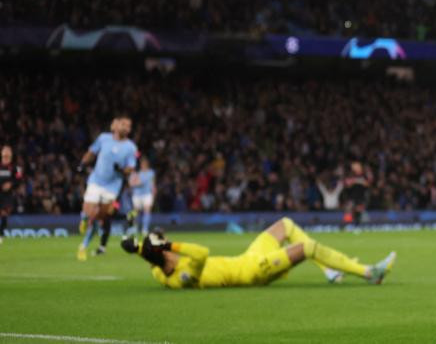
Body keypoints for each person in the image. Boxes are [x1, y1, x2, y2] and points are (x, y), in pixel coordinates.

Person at [121, 217, 395, 289]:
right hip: (254, 271)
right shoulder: (182, 276)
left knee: (285, 225)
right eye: (166, 245)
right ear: (165, 253)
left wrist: (135, 248)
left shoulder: (159, 271)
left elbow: (153, 261)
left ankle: (331, 271)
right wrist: (168, 245)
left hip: (246, 259)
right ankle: (370, 273)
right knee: (308, 248)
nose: (170, 243)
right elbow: (202, 253)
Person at [77, 116, 138, 260]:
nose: (126, 128)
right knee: (89, 209)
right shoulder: (104, 138)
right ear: (116, 126)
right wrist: (82, 163)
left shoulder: (131, 147)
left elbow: (131, 168)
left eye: (129, 126)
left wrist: (122, 170)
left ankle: (85, 244)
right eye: (124, 124)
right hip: (96, 181)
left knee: (102, 217)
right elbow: (92, 152)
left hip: (113, 187)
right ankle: (85, 218)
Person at [129, 156, 157, 236]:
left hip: (147, 194)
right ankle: (134, 228)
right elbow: (132, 183)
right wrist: (137, 183)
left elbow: (152, 184)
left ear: (147, 164)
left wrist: (154, 192)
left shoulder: (151, 173)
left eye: (145, 163)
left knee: (147, 210)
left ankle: (145, 229)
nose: (143, 165)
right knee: (135, 212)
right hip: (137, 194)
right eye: (142, 163)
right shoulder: (137, 173)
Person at [0, 145, 22, 244]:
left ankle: (1, 234)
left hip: (7, 196)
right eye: (5, 150)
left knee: (4, 214)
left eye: (9, 150)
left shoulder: (16, 167)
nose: (6, 152)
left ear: (11, 154)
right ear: (1, 153)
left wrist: (11, 184)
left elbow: (19, 179)